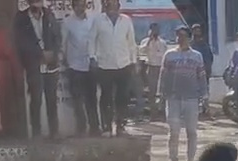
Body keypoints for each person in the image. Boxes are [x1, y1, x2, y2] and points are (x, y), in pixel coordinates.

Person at [158, 25, 206, 161]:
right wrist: (160, 95)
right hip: (173, 98)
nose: (180, 38)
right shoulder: (169, 55)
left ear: (189, 38)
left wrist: (204, 96)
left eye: (184, 36)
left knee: (191, 132)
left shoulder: (197, 56)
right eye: (178, 35)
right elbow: (163, 76)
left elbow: (201, 77)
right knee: (174, 132)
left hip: (191, 98)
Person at [13, 0, 61, 139]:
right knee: (36, 99)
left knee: (52, 99)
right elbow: (21, 41)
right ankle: (36, 132)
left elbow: (57, 36)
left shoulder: (49, 15)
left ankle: (54, 131)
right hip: (33, 63)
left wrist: (53, 53)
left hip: (51, 63)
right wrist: (40, 54)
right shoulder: (21, 18)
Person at [89, 0, 137, 136]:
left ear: (118, 6)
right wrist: (92, 58)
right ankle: (107, 127)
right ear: (105, 6)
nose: (111, 7)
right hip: (104, 65)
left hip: (124, 64)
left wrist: (134, 62)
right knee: (106, 97)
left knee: (123, 97)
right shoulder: (98, 20)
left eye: (114, 4)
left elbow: (131, 42)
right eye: (108, 4)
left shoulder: (126, 20)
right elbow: (91, 40)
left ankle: (120, 125)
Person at [62, 0, 99, 136]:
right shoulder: (68, 22)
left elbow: (96, 39)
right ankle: (81, 128)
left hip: (91, 64)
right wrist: (65, 59)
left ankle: (95, 128)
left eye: (83, 5)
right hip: (75, 65)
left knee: (91, 98)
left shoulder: (93, 20)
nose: (81, 8)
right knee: (77, 99)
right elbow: (63, 42)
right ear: (73, 7)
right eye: (78, 6)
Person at [139, 22, 168, 120]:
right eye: (153, 29)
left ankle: (162, 112)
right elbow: (141, 51)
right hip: (151, 67)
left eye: (157, 29)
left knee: (162, 91)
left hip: (161, 68)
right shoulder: (145, 41)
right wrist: (149, 40)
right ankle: (153, 113)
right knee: (152, 92)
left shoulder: (162, 42)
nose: (155, 31)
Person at [190, 23, 213, 112]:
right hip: (193, 71)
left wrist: (208, 68)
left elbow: (210, 57)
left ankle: (205, 109)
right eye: (195, 30)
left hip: (205, 70)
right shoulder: (190, 45)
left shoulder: (204, 44)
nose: (197, 32)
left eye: (199, 30)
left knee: (205, 90)